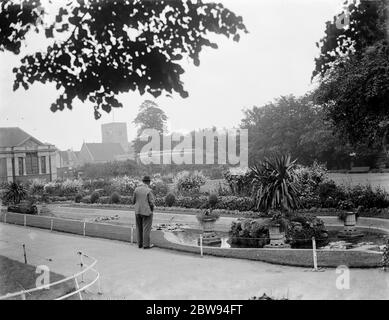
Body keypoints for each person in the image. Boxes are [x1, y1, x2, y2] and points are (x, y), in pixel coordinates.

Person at [133, 175, 155, 249]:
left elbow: (133, 201)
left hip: (137, 211)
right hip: (146, 211)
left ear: (143, 181)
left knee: (139, 228)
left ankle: (140, 244)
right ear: (148, 182)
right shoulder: (149, 190)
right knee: (146, 228)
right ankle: (146, 245)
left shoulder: (136, 189)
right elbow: (151, 202)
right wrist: (151, 210)